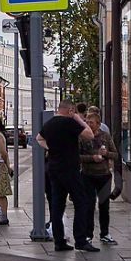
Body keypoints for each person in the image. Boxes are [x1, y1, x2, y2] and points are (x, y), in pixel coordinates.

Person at [38, 98, 98, 252]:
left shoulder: (49, 124)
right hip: (70, 169)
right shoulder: (70, 122)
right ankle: (81, 240)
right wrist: (78, 119)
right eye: (73, 111)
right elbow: (90, 135)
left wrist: (50, 147)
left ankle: (59, 241)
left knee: (57, 205)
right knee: (81, 202)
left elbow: (39, 138)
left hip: (54, 169)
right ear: (70, 110)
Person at [79, 111, 119, 245]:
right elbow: (77, 156)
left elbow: (115, 155)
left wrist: (106, 153)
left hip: (104, 175)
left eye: (91, 122)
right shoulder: (82, 137)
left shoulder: (105, 136)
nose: (88, 124)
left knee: (104, 206)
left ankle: (105, 233)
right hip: (88, 175)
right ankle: (88, 235)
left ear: (98, 124)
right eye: (87, 122)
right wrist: (92, 158)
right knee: (89, 205)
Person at [0, 117, 14, 226]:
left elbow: (3, 153)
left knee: (0, 192)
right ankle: (2, 215)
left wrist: (7, 167)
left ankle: (3, 216)